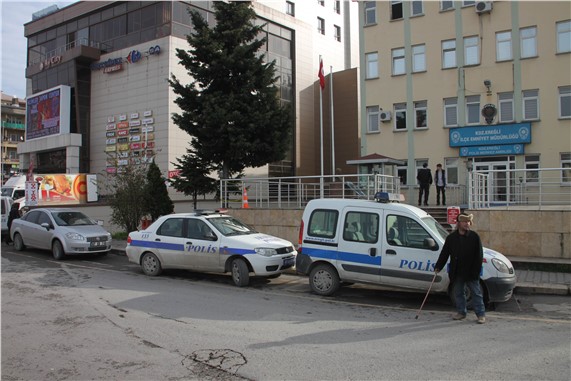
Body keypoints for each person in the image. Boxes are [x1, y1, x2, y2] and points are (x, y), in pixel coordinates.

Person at [434, 213, 486, 324]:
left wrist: (476, 271)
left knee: (476, 293)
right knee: (458, 293)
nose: (467, 224)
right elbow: (445, 253)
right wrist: (438, 266)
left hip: (471, 271)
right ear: (459, 223)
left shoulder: (474, 237)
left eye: (468, 222)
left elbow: (479, 256)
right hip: (457, 271)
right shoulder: (451, 238)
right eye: (464, 222)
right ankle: (461, 312)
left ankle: (480, 314)